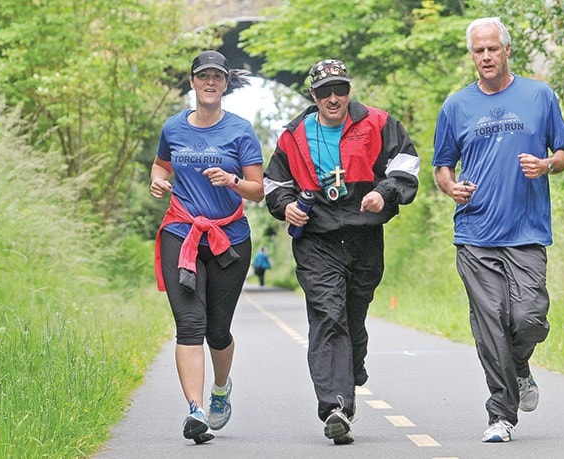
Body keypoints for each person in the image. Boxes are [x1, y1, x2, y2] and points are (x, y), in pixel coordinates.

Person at [432, 17, 564, 443]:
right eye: (478, 51)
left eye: (492, 48)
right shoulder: (456, 106)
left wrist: (547, 164)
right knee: (491, 323)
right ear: (471, 55)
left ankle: (519, 365)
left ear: (507, 50)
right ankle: (501, 415)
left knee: (529, 318)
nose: (486, 57)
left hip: (527, 231)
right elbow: (442, 165)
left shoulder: (539, 95)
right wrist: (451, 188)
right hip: (475, 234)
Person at [263, 58, 420, 445]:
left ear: (349, 90)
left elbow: (407, 165)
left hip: (364, 236)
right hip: (317, 238)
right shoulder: (293, 135)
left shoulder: (379, 123)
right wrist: (287, 206)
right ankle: (336, 408)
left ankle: (351, 365)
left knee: (352, 317)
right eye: (324, 91)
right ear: (312, 95)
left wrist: (383, 194)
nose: (334, 98)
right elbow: (273, 184)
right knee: (327, 316)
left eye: (340, 89)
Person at [149, 50, 265, 443]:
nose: (210, 83)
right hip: (180, 232)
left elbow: (258, 191)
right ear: (193, 82)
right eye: (203, 76)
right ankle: (196, 411)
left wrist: (232, 181)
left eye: (217, 76)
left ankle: (219, 391)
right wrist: (158, 182)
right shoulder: (174, 127)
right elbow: (161, 165)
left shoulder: (241, 130)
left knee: (217, 331)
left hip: (228, 239)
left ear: (225, 84)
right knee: (190, 325)